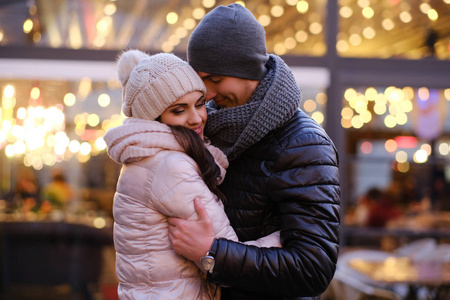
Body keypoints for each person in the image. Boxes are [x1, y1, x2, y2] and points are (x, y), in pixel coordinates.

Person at [167, 4, 341, 300]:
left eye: (216, 79)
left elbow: (314, 268)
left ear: (246, 69)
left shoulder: (304, 144)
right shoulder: (207, 128)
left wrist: (212, 253)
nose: (207, 94)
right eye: (200, 80)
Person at [103, 50, 280, 300]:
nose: (196, 118)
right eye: (179, 110)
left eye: (199, 103)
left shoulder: (146, 157)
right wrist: (288, 238)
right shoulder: (170, 166)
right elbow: (231, 257)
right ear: (155, 117)